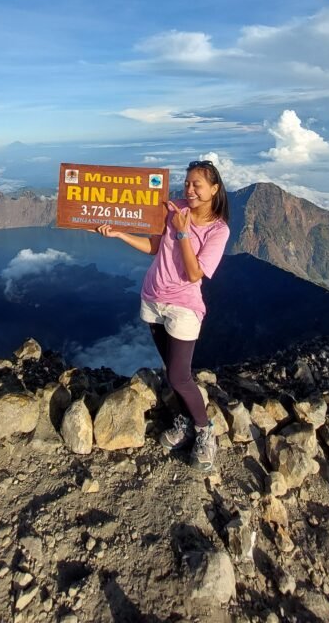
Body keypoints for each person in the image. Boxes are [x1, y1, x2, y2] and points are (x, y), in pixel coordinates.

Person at [97, 159, 230, 472]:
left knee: (179, 376)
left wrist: (183, 232)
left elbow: (195, 273)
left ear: (214, 189)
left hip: (184, 307)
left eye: (197, 184)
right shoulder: (174, 209)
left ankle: (204, 429)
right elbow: (154, 246)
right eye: (187, 183)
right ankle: (184, 420)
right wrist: (119, 234)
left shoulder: (217, 230)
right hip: (152, 300)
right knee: (172, 370)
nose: (190, 189)